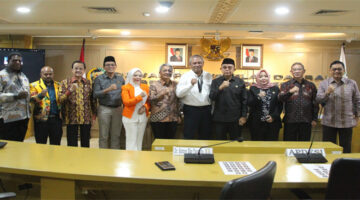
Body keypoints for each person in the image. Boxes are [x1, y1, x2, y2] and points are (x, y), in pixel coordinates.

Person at [316, 61, 360, 153]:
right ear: (330, 71)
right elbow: (318, 100)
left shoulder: (352, 83)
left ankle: (345, 167)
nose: (337, 71)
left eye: (339, 69)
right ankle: (329, 167)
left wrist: (357, 116)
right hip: (329, 122)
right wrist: (327, 93)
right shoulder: (324, 83)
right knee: (328, 149)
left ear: (344, 70)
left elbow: (357, 100)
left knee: (346, 148)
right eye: (334, 69)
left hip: (346, 122)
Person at [59, 60, 96, 147]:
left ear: (84, 70)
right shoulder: (65, 82)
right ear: (72, 70)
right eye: (76, 68)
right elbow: (60, 99)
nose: (78, 70)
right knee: (72, 143)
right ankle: (72, 159)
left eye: (80, 68)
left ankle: (84, 159)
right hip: (71, 117)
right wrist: (69, 91)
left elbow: (93, 100)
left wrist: (93, 116)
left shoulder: (89, 83)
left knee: (85, 142)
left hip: (86, 118)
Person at [279, 62, 319, 141]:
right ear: (291, 72)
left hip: (306, 120)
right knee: (289, 145)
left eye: (299, 69)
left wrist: (314, 118)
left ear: (304, 71)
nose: (297, 71)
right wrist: (290, 92)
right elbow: (280, 98)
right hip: (290, 121)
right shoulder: (285, 85)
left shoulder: (311, 85)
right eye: (294, 69)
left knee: (304, 146)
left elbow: (315, 103)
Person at [209, 58, 247, 140]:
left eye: (230, 67)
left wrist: (243, 116)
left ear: (234, 69)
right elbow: (211, 97)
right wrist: (220, 88)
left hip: (235, 119)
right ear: (221, 69)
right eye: (224, 67)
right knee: (219, 142)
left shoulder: (240, 82)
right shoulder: (215, 82)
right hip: (219, 119)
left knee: (235, 142)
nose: (227, 69)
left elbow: (244, 100)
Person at [176, 55, 212, 139]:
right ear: (190, 65)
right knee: (189, 134)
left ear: (203, 63)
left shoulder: (208, 75)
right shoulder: (185, 76)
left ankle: (204, 152)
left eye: (199, 62)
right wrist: (190, 85)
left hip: (206, 110)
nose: (197, 65)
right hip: (191, 110)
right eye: (194, 63)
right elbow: (179, 94)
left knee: (205, 135)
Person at [93, 56, 125, 149]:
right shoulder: (99, 79)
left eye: (112, 64)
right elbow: (95, 94)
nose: (110, 66)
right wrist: (108, 89)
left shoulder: (120, 79)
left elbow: (124, 94)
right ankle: (103, 157)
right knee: (104, 135)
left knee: (116, 135)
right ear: (104, 67)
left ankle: (114, 156)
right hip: (104, 109)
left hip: (118, 109)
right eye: (108, 65)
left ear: (115, 66)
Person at [0, 52, 30, 141]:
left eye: (19, 61)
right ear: (8, 61)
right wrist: (15, 96)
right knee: (8, 147)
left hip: (23, 118)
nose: (17, 62)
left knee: (19, 145)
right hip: (8, 119)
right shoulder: (1, 75)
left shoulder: (23, 76)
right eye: (14, 60)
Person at [30, 66, 62, 145]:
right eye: (46, 74)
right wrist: (41, 95)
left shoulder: (59, 85)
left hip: (56, 119)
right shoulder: (34, 85)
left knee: (56, 144)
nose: (48, 76)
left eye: (50, 74)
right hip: (41, 120)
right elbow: (31, 100)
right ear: (41, 74)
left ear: (53, 74)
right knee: (41, 144)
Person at [248, 69, 282, 141]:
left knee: (271, 147)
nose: (263, 78)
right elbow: (250, 104)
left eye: (265, 76)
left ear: (269, 77)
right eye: (260, 76)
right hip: (257, 124)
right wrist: (258, 97)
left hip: (272, 123)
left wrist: (273, 116)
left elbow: (279, 105)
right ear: (257, 78)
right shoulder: (253, 88)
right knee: (257, 146)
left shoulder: (275, 88)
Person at [121, 68, 150, 151]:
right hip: (130, 117)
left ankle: (138, 159)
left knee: (139, 140)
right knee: (131, 141)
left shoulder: (145, 87)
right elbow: (127, 102)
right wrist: (140, 97)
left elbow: (149, 102)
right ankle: (130, 160)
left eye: (140, 75)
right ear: (130, 76)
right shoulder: (125, 87)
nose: (138, 77)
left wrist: (145, 107)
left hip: (142, 117)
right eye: (135, 75)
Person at [149, 64, 180, 139]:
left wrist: (179, 115)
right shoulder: (154, 85)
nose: (167, 72)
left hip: (173, 118)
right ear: (160, 72)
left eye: (169, 70)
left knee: (170, 143)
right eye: (165, 70)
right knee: (159, 143)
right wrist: (161, 94)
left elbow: (179, 100)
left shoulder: (176, 84)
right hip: (158, 119)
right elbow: (151, 100)